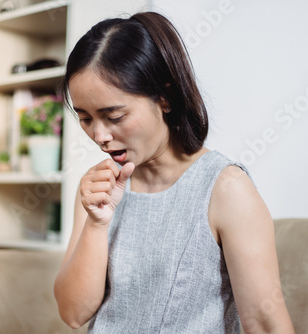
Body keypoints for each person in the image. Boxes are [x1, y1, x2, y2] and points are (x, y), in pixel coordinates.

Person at [53, 11, 294, 334]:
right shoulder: (99, 189)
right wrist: (96, 225)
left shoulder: (225, 188)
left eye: (113, 116)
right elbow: (72, 313)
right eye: (85, 118)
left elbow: (265, 323)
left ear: (164, 97)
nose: (99, 136)